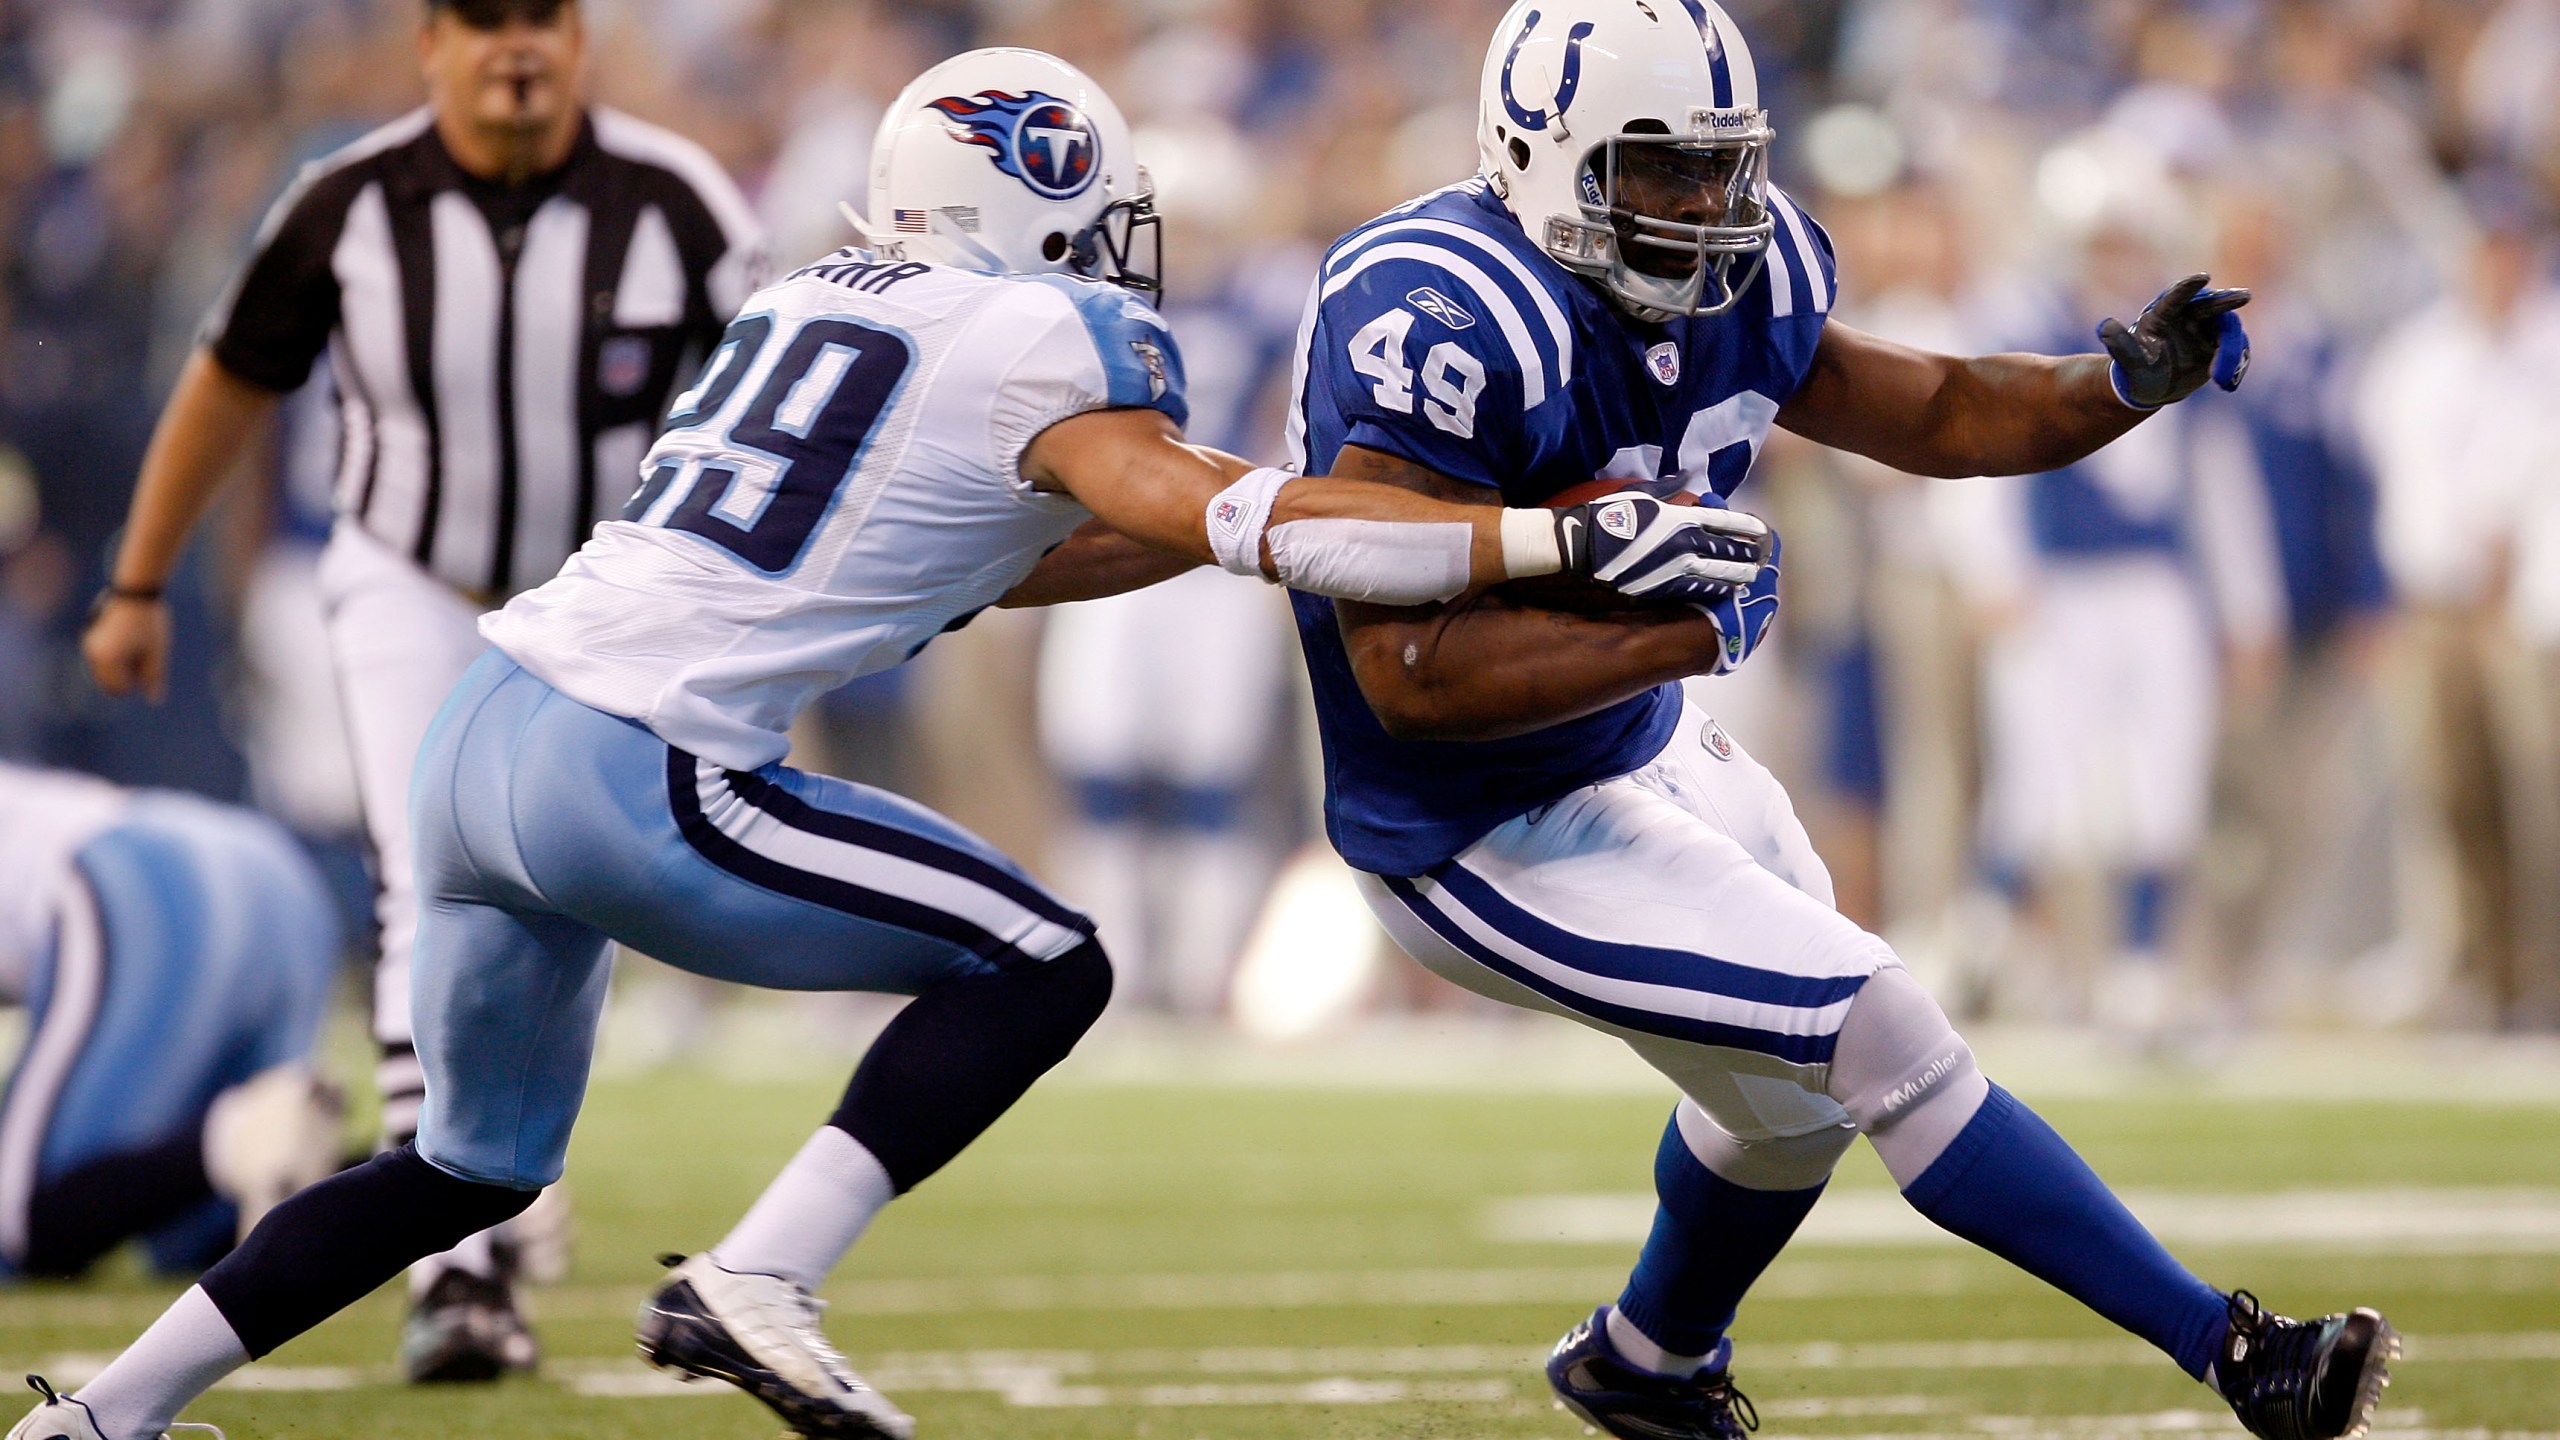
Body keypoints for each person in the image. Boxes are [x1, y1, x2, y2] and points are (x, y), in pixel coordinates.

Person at [8, 46, 1766, 1440]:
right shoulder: (1045, 326)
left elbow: (1014, 556)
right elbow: (1229, 521)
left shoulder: (804, 305)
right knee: (1048, 961)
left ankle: (106, 1414)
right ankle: (764, 1276)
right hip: (634, 765)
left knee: (460, 1164)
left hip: (481, 733)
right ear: (1045, 193)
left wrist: (1249, 512)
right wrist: (1551, 539)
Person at [1278, 3, 2391, 1438]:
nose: (1705, 209)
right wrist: (1673, 633)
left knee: (1788, 1105)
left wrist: (2112, 388)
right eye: (1662, 170)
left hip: (1635, 744)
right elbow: (1407, 680)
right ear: (1542, 155)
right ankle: (2241, 1359)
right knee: (1879, 1026)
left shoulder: (1736, 272)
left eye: (1723, 170)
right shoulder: (1437, 312)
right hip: (1470, 826)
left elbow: (1931, 408)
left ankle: (1648, 1362)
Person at [78, 0, 766, 1381]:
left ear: (580, 40)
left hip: (599, 600)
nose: (516, 47)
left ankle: (489, 1175)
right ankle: (457, 1262)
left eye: (542, 18)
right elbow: (232, 379)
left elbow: (768, 398)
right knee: (423, 888)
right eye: (484, 19)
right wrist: (141, 579)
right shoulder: (348, 202)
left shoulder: (676, 203)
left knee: (576, 900)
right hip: (408, 581)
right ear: (429, 45)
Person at [0, 763, 342, 1285]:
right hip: (268, 868)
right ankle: (468, 1197)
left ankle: (233, 1135)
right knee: (209, 1233)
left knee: (20, 1221)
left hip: (146, 878)